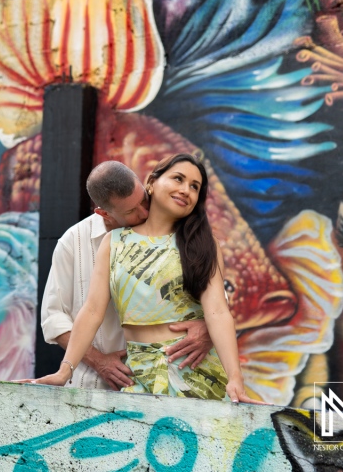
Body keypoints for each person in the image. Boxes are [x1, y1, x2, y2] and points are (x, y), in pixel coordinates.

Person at [33, 154, 264, 403]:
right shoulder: (112, 242)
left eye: (195, 187)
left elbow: (218, 312)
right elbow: (91, 311)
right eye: (178, 178)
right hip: (137, 374)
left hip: (196, 372)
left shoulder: (203, 245)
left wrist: (235, 379)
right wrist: (64, 371)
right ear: (152, 182)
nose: (186, 190)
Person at [40, 160, 213, 391]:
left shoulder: (180, 233)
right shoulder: (73, 242)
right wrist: (98, 361)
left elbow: (218, 304)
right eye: (132, 211)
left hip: (170, 380)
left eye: (143, 199)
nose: (144, 212)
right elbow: (54, 318)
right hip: (90, 384)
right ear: (104, 213)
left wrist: (206, 326)